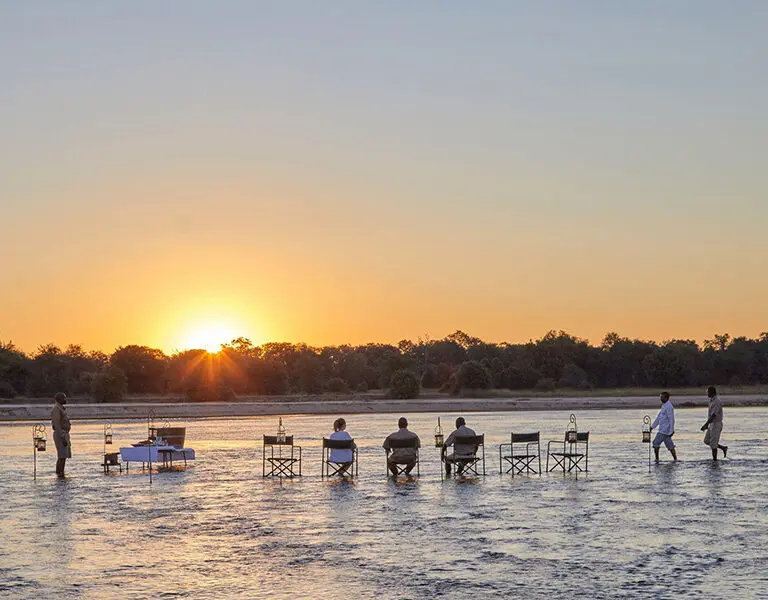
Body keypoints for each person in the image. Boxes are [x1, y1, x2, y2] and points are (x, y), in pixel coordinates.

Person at [701, 386, 728, 460]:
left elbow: (713, 415)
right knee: (706, 441)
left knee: (713, 444)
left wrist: (706, 424)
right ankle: (723, 448)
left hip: (716, 424)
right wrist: (708, 424)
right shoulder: (711, 400)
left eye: (708, 392)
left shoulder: (716, 401)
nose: (707, 394)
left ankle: (715, 461)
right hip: (712, 424)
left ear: (712, 392)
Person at [650, 391, 677, 462]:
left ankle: (657, 459)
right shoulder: (664, 406)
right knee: (670, 446)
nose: (660, 399)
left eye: (662, 397)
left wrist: (671, 431)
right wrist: (652, 427)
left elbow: (671, 419)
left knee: (655, 443)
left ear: (666, 398)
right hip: (664, 431)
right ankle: (675, 460)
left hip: (664, 430)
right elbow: (658, 418)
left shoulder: (669, 407)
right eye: (660, 397)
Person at [51, 392, 72, 477]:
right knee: (61, 456)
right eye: (64, 398)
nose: (65, 399)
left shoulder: (60, 408)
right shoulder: (56, 409)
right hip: (61, 434)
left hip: (64, 433)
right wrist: (62, 436)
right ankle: (59, 473)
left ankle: (61, 475)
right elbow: (57, 424)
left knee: (64, 456)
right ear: (60, 399)